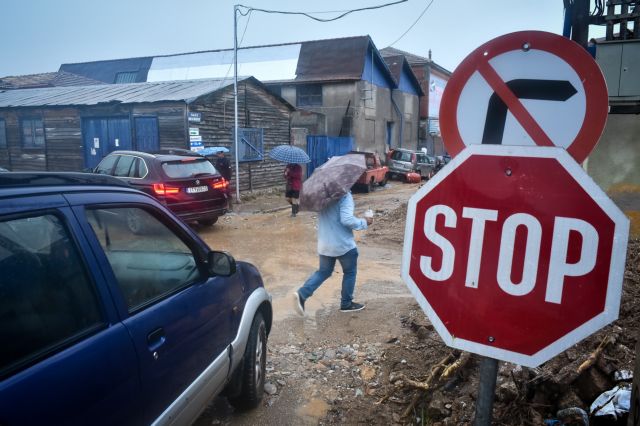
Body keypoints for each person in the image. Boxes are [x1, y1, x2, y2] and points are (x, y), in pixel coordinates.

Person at [292, 191, 373, 315]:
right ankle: (346, 304)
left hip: (325, 244)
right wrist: (364, 222)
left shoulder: (321, 196)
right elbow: (347, 220)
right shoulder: (344, 195)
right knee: (350, 272)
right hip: (343, 244)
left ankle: (302, 294)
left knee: (323, 272)